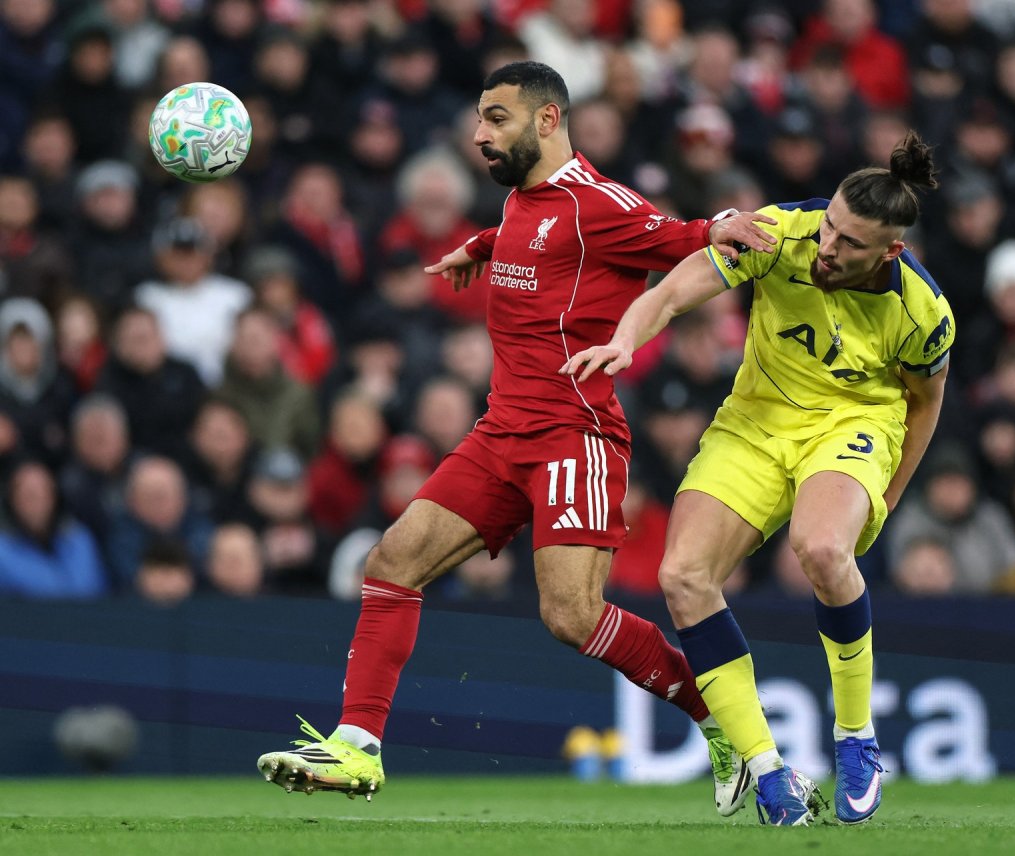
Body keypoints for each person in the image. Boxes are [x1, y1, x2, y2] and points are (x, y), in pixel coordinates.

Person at [256, 61, 777, 815]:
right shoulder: (521, 202)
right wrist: (482, 245)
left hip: (576, 433)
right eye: (478, 118)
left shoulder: (600, 203)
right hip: (502, 431)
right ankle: (356, 750)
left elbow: (675, 238)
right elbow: (533, 234)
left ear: (546, 121)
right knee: (392, 561)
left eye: (495, 118)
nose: (478, 134)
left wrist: (718, 226)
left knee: (571, 616)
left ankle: (720, 720)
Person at [564, 131, 953, 826]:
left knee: (824, 550)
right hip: (753, 423)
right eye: (829, 225)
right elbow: (676, 292)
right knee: (683, 576)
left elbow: (924, 404)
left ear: (890, 252)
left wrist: (887, 497)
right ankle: (771, 775)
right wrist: (627, 337)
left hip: (851, 424)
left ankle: (856, 737)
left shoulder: (923, 311)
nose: (827, 247)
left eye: (848, 243)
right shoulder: (779, 235)